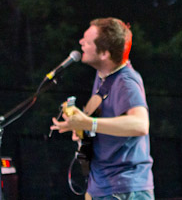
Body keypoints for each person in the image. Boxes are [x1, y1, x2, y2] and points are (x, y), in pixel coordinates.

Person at [50, 17, 154, 200]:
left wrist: (89, 122)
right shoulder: (103, 76)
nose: (80, 43)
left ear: (104, 53)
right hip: (103, 186)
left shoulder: (126, 81)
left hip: (125, 189)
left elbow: (140, 124)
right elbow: (102, 125)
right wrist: (78, 125)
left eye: (87, 41)